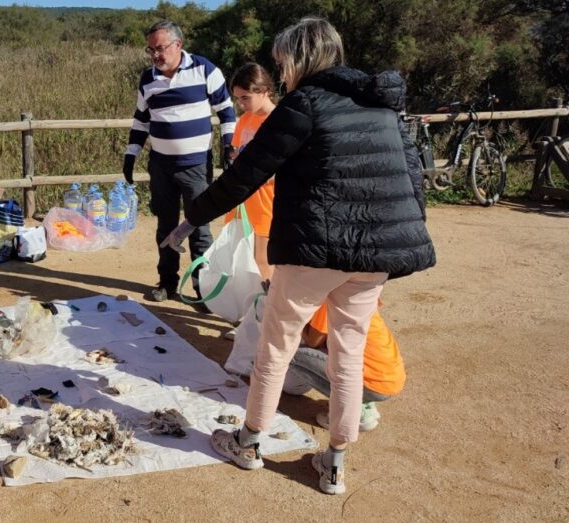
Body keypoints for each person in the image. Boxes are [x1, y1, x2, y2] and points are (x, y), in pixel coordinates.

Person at [163, 17, 435, 495]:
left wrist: (192, 219)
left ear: (299, 59)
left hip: (314, 250)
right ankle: (335, 464)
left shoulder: (305, 103)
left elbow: (246, 173)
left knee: (276, 346)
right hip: (374, 257)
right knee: (348, 356)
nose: (282, 73)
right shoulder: (381, 105)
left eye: (283, 63)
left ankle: (249, 442)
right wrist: (395, 241)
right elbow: (412, 180)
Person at [122, 20, 237, 305]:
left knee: (199, 227)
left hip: (196, 165)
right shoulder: (148, 79)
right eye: (151, 50)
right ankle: (167, 282)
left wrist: (228, 145)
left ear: (178, 45)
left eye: (160, 48)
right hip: (161, 166)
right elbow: (141, 120)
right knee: (166, 225)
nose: (155, 55)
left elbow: (226, 110)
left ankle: (203, 289)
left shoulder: (204, 69)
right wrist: (131, 154)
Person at [284, 302, 405, 432]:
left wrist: (292, 319)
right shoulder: (357, 295)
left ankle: (355, 409)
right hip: (388, 377)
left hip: (373, 383)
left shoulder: (327, 299)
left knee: (286, 353)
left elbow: (313, 341)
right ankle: (363, 401)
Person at [222, 62, 277, 281]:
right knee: (240, 257)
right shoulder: (244, 120)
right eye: (237, 98)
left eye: (245, 98)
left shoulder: (278, 121)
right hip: (243, 201)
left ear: (264, 91)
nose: (241, 104)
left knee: (262, 259)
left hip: (267, 202)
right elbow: (236, 155)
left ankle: (268, 301)